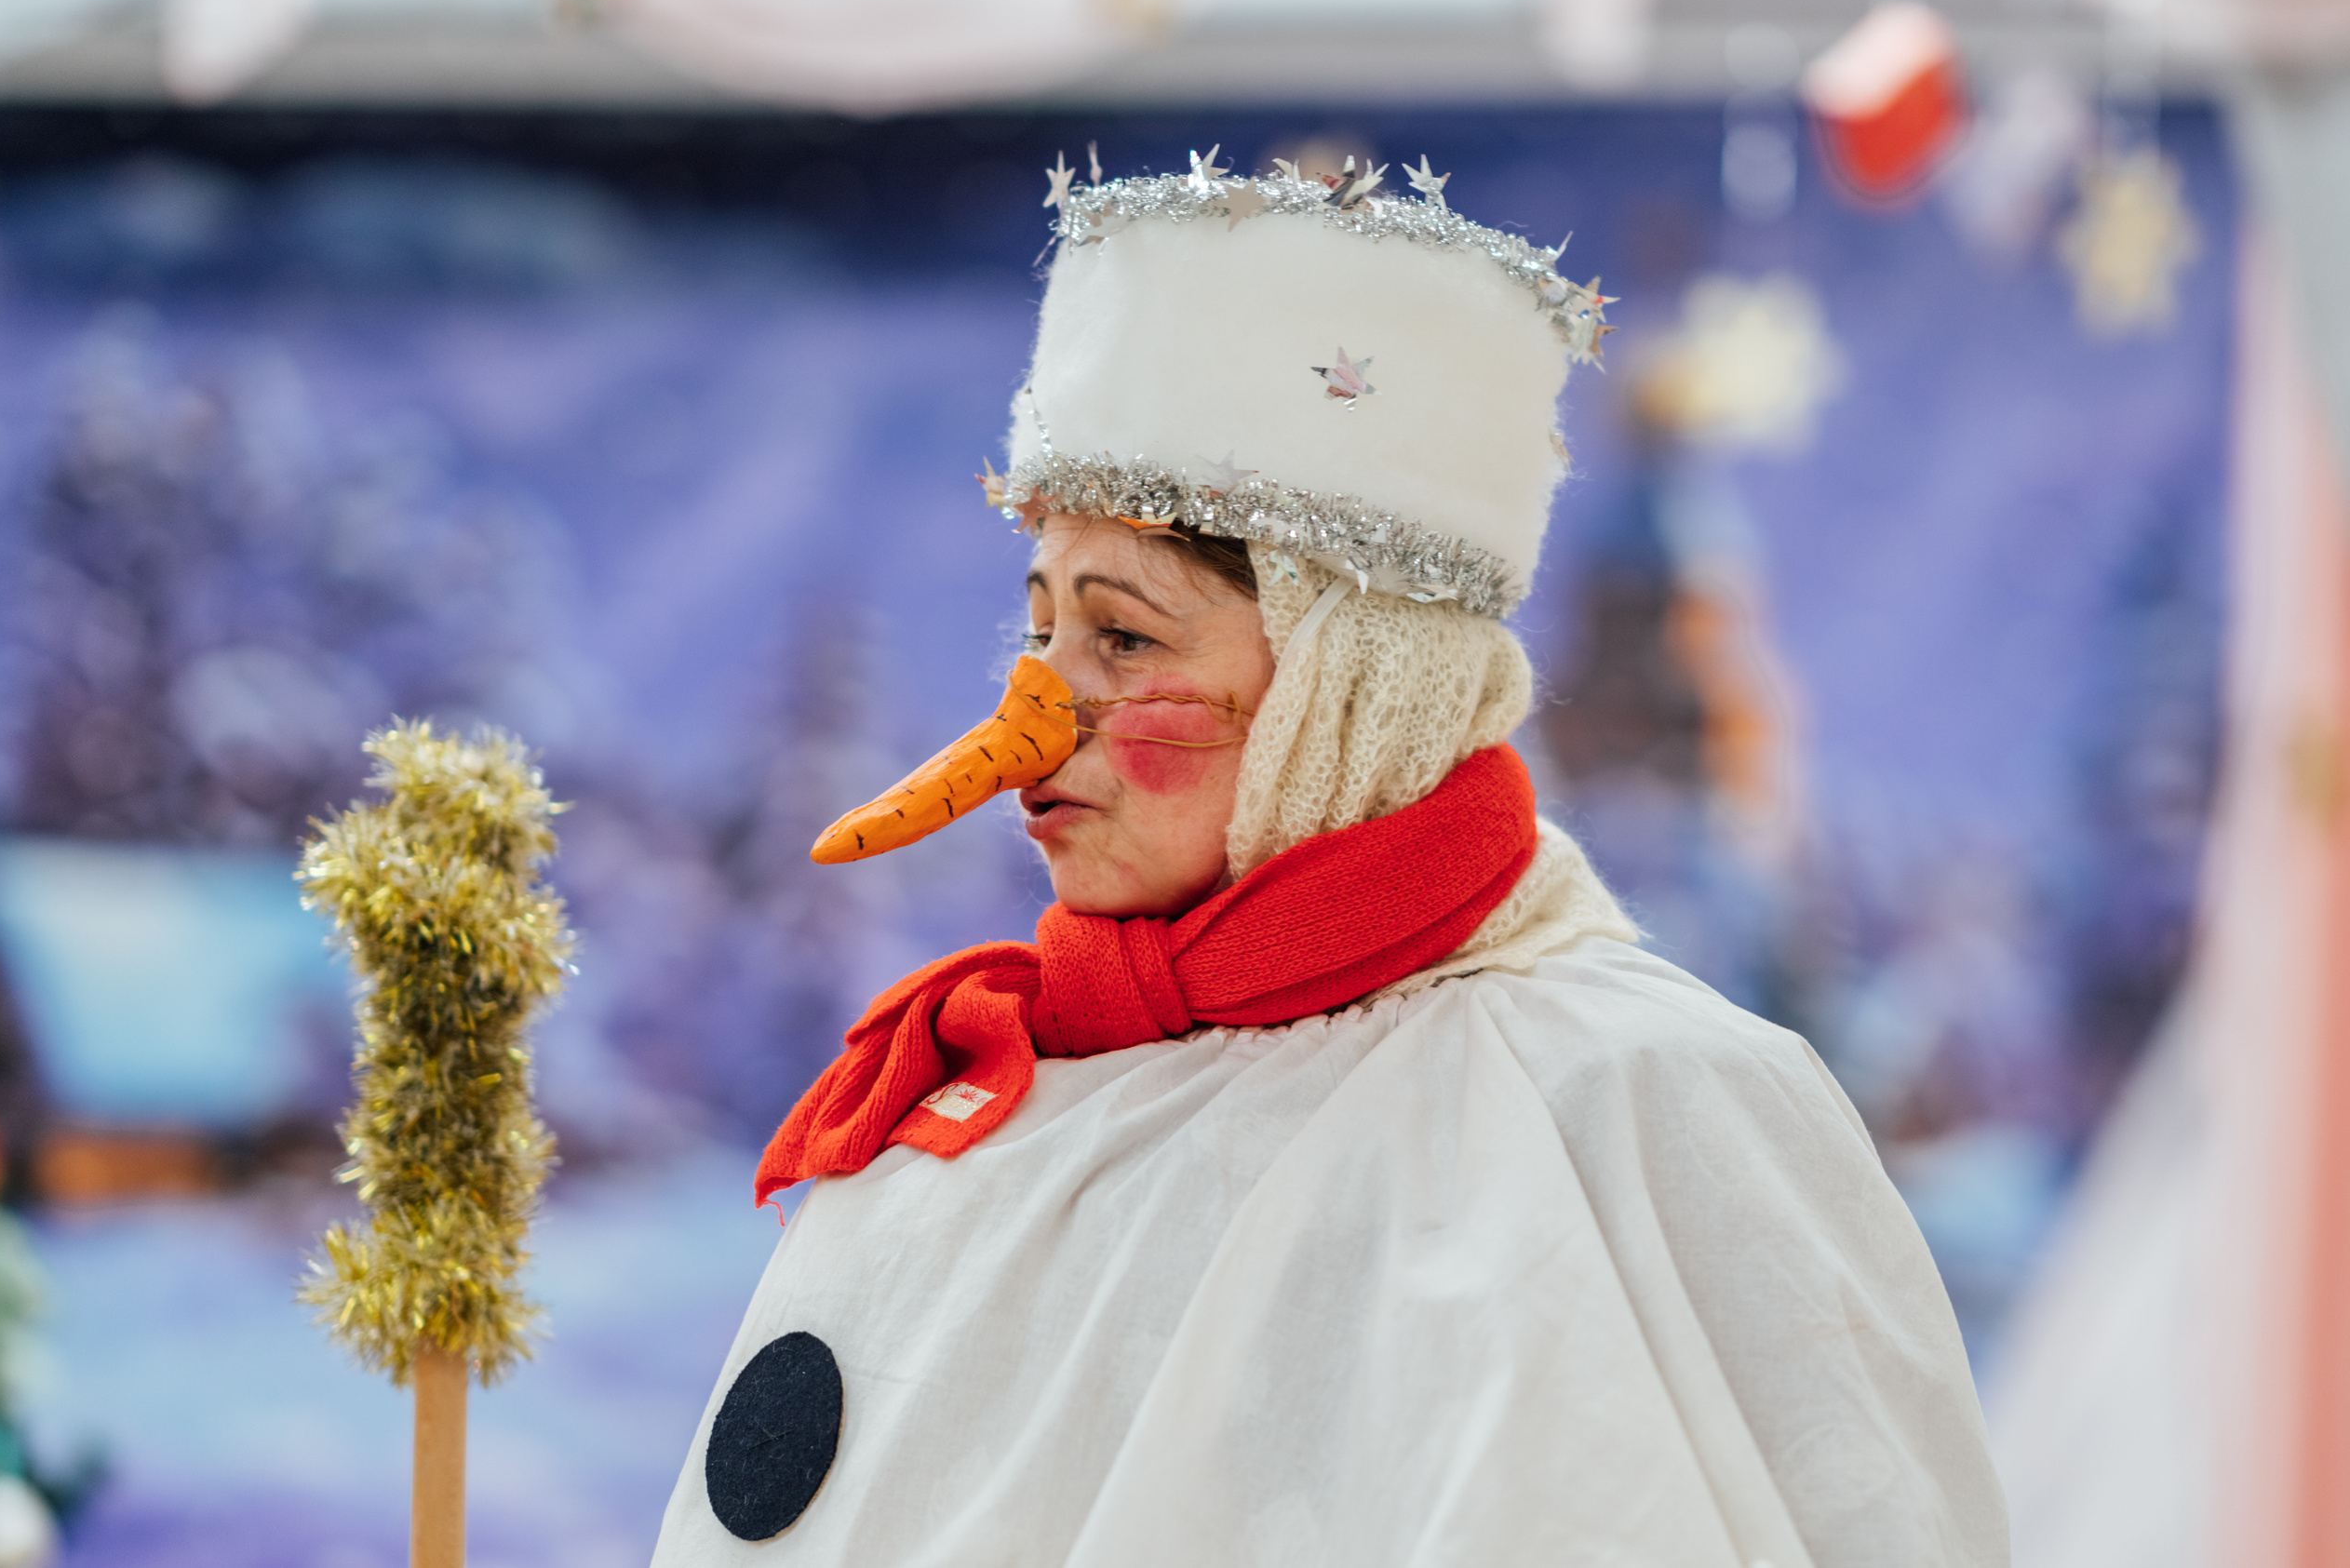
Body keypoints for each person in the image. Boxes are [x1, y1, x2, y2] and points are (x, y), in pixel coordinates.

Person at [651, 150, 2007, 1566]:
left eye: (1125, 638)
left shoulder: (1643, 1103)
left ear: (1349, 681)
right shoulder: (994, 1096)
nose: (1034, 722)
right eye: (1039, 628)